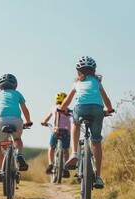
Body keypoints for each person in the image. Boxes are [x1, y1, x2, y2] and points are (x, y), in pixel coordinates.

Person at [59, 56, 114, 189]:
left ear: (78, 71)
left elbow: (67, 101)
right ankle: (98, 176)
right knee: (96, 141)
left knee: (75, 123)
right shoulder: (97, 82)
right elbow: (105, 98)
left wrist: (62, 109)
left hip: (80, 108)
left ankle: (74, 153)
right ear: (94, 71)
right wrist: (109, 109)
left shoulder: (76, 83)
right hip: (97, 109)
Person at [0, 73, 32, 182]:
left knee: (1, 146)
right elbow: (25, 109)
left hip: (2, 120)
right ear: (15, 86)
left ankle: (0, 170)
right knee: (18, 139)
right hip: (17, 120)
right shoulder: (18, 94)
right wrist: (28, 121)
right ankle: (19, 153)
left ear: (0, 87)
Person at [41, 92, 71, 178]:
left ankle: (50, 164)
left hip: (56, 130)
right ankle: (66, 167)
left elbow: (48, 117)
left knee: (52, 147)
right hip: (66, 131)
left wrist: (44, 122)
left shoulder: (54, 108)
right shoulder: (67, 109)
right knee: (66, 149)